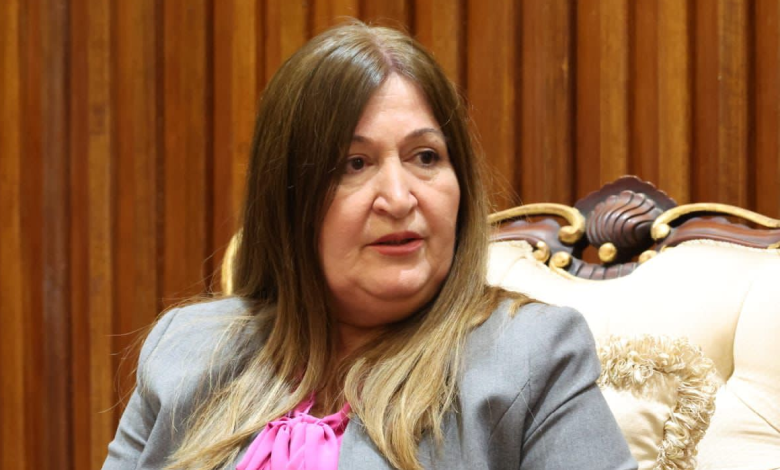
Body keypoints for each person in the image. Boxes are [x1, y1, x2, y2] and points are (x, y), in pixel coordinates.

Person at [103, 21, 636, 470]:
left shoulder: (532, 357)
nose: (399, 198)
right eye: (354, 164)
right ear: (287, 198)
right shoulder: (186, 350)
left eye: (425, 157)